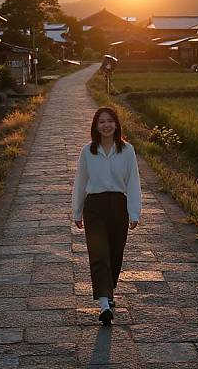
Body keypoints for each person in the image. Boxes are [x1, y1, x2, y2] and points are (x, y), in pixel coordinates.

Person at [72, 106, 142, 325]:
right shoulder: (88, 151)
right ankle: (104, 304)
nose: (106, 125)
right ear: (95, 126)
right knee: (99, 253)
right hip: (94, 207)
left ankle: (108, 291)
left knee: (115, 253)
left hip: (118, 205)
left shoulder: (127, 150)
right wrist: (77, 210)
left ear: (116, 124)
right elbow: (80, 183)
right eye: (101, 121)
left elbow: (133, 183)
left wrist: (134, 211)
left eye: (110, 121)